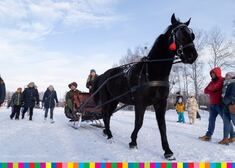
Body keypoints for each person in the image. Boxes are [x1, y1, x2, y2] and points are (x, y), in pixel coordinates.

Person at [199, 67, 234, 141]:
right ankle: (208, 135)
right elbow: (205, 90)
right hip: (212, 104)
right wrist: (212, 90)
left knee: (226, 121)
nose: (212, 75)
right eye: (211, 74)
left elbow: (214, 88)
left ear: (217, 73)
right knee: (211, 120)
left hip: (220, 104)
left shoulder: (222, 80)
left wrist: (212, 90)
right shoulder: (212, 82)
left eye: (213, 74)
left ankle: (233, 135)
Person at [218, 72, 235, 144]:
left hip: (232, 106)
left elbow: (232, 96)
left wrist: (224, 100)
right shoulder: (226, 84)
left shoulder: (233, 84)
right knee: (226, 123)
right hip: (226, 106)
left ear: (232, 76)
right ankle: (225, 139)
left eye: (227, 75)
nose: (225, 77)